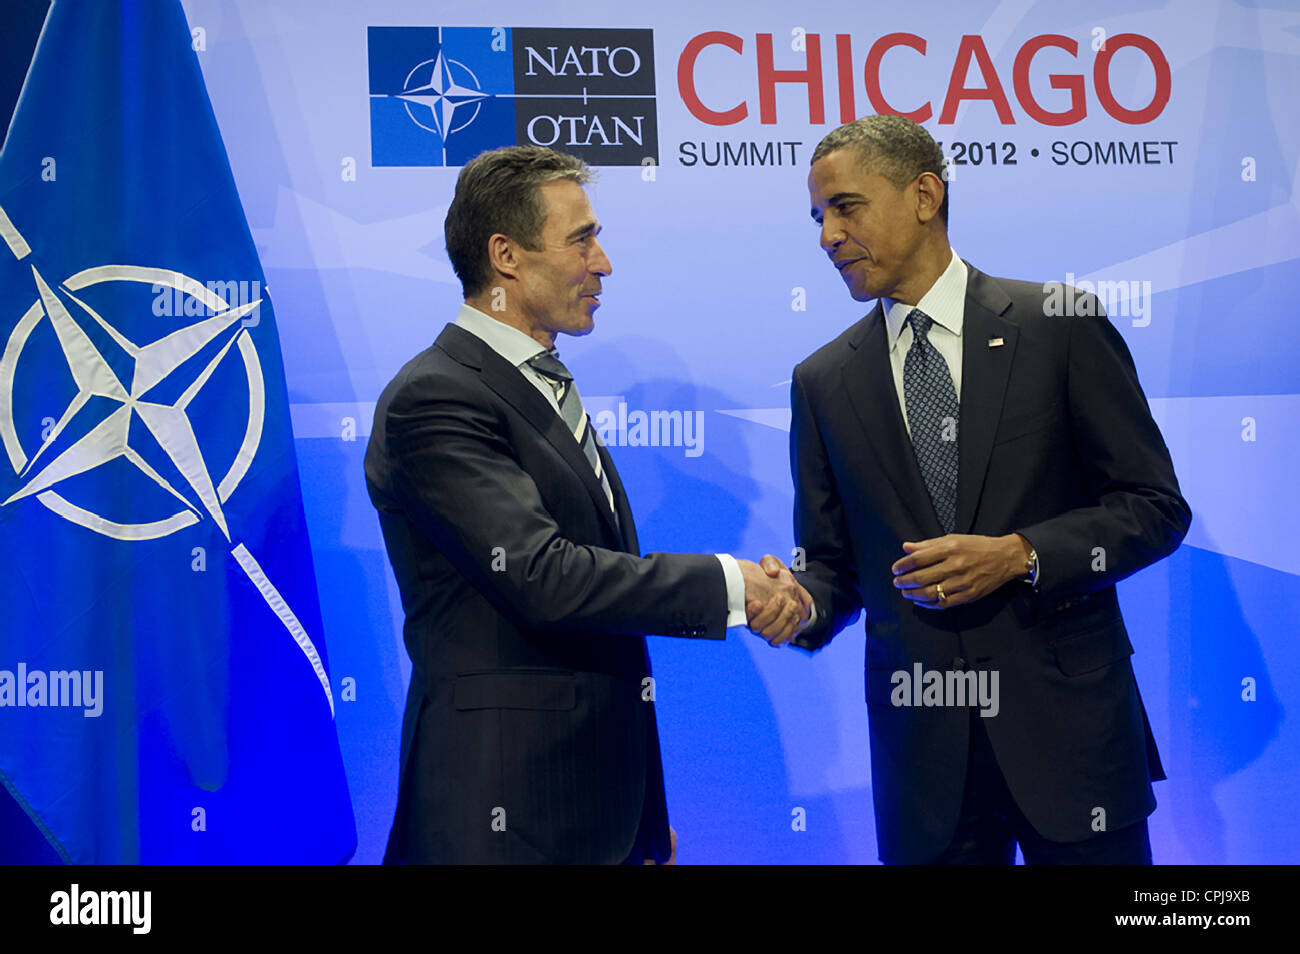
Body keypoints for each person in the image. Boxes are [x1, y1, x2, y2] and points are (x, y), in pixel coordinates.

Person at [365, 145, 810, 864]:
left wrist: (638, 815)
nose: (603, 263)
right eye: (582, 239)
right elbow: (544, 577)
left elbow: (603, 623)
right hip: (501, 819)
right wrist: (733, 584)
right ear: (505, 256)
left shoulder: (538, 385)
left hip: (593, 817)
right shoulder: (438, 395)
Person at [780, 114, 1191, 864]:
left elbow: (1154, 508)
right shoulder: (822, 381)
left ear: (925, 195)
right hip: (923, 764)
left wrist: (1022, 553)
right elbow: (836, 566)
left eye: (845, 207)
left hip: (1070, 740)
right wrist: (797, 601)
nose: (827, 237)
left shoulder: (1058, 325)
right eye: (817, 217)